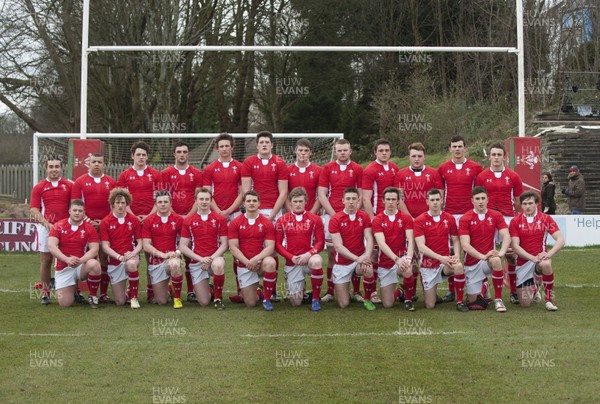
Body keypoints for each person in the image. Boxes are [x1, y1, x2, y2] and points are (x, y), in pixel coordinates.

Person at [241, 131, 289, 301]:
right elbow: (246, 191)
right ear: (257, 145)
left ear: (271, 145)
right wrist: (254, 211)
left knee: (273, 249)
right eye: (261, 142)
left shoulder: (280, 163)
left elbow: (283, 192)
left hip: (273, 211)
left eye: (267, 142)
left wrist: (273, 215)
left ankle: (272, 290)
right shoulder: (248, 162)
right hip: (254, 209)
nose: (264, 145)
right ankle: (244, 288)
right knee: (248, 245)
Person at [475, 142, 524, 304]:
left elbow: (518, 201)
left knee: (511, 256)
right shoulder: (482, 176)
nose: (496, 158)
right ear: (489, 157)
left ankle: (514, 291)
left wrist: (509, 215)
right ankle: (485, 287)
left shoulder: (513, 176)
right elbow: (478, 198)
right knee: (486, 254)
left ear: (504, 157)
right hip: (488, 219)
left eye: (499, 155)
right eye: (493, 155)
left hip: (507, 218)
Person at [117, 141, 164, 303]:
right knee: (133, 254)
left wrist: (149, 216)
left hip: (151, 219)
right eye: (138, 154)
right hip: (131, 220)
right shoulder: (124, 175)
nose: (141, 157)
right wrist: (134, 217)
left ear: (147, 157)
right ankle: (130, 289)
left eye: (144, 155)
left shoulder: (156, 174)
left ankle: (152, 289)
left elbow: (159, 199)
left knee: (151, 255)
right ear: (132, 156)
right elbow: (121, 200)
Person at [437, 135, 483, 303]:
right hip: (449, 214)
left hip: (469, 215)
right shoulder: (442, 168)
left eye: (460, 146)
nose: (457, 149)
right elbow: (440, 192)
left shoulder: (476, 167)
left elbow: (479, 193)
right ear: (450, 149)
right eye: (454, 146)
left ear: (465, 148)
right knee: (451, 251)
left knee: (473, 250)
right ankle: (452, 290)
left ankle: (479, 286)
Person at [318, 139, 364, 303]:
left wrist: (352, 212)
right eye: (339, 150)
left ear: (350, 151)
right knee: (332, 253)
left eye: (345, 150)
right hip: (332, 215)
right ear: (335, 152)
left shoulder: (358, 169)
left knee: (355, 249)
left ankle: (357, 291)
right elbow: (322, 194)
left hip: (352, 216)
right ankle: (330, 291)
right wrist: (335, 214)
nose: (342, 153)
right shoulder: (328, 168)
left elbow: (360, 194)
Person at [202, 133, 244, 303]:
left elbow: (243, 192)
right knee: (211, 248)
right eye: (221, 146)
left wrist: (228, 211)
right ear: (216, 148)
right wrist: (219, 212)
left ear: (232, 148)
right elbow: (206, 193)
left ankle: (241, 289)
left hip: (234, 213)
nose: (224, 149)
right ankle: (211, 286)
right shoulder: (210, 168)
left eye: (227, 146)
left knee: (237, 252)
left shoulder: (240, 167)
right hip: (214, 214)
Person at [71, 153, 117, 303]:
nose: (96, 164)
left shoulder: (111, 182)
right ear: (88, 164)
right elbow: (75, 206)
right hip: (85, 225)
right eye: (94, 162)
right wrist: (88, 220)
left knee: (104, 257)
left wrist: (103, 221)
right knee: (82, 256)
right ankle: (78, 291)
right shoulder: (80, 182)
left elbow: (115, 206)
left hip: (105, 226)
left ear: (104, 165)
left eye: (99, 162)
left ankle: (103, 294)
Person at [161, 141, 203, 302]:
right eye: (179, 152)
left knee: (190, 253)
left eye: (185, 151)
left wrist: (189, 216)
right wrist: (176, 216)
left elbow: (198, 197)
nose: (182, 154)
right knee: (170, 252)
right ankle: (164, 286)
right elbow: (163, 198)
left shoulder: (197, 173)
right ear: (174, 154)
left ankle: (191, 290)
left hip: (192, 218)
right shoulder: (165, 173)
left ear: (188, 154)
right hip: (172, 218)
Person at [413, 189, 467, 312]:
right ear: (427, 202)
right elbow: (421, 247)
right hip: (428, 265)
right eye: (432, 200)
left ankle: (459, 302)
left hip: (445, 263)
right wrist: (440, 257)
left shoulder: (449, 218)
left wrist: (457, 255)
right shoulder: (419, 220)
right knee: (430, 305)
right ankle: (433, 295)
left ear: (442, 200)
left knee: (458, 266)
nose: (435, 203)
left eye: (437, 199)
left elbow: (456, 240)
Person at [459, 187, 511, 312]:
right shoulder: (465, 218)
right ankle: (484, 284)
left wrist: (501, 253)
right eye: (477, 199)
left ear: (488, 199)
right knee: (474, 303)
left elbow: (506, 235)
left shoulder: (496, 215)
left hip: (489, 261)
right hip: (472, 263)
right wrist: (483, 256)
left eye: (483, 198)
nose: (480, 201)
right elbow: (465, 245)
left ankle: (498, 299)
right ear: (472, 201)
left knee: (496, 261)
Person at [509, 191, 564, 311]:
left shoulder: (545, 219)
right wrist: (532, 258)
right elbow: (515, 246)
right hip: (523, 262)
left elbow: (560, 240)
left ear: (536, 204)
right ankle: (535, 287)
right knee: (525, 303)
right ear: (521, 205)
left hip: (540, 260)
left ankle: (549, 299)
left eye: (530, 203)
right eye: (524, 204)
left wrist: (548, 254)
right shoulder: (515, 221)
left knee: (546, 264)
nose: (527, 206)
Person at [30, 156, 72, 305]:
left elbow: (74, 206)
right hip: (46, 229)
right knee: (46, 260)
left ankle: (74, 292)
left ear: (61, 168)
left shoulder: (69, 185)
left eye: (57, 166)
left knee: (69, 260)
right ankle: (45, 293)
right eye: (51, 166)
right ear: (46, 168)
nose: (54, 169)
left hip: (66, 229)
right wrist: (47, 224)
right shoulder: (39, 187)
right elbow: (34, 209)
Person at [275, 187, 325, 311]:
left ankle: (315, 299)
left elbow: (320, 242)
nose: (298, 204)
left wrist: (308, 254)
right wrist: (291, 257)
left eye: (300, 201)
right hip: (293, 261)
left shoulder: (315, 219)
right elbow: (278, 244)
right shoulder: (282, 220)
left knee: (317, 261)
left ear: (306, 202)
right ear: (290, 202)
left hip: (309, 258)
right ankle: (302, 288)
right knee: (296, 302)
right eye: (295, 201)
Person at [179, 188, 228, 310]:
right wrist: (201, 259)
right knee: (204, 302)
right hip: (197, 262)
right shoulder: (188, 220)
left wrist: (210, 259)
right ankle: (211, 288)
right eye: (201, 199)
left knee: (218, 265)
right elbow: (183, 246)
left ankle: (217, 298)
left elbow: (224, 244)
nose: (204, 202)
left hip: (214, 258)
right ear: (196, 201)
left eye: (207, 199)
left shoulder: (220, 219)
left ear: (211, 201)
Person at [228, 191, 277, 310]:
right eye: (248, 201)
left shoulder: (266, 222)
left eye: (254, 201)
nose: (251, 203)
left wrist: (256, 259)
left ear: (259, 203)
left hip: (260, 262)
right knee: (251, 303)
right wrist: (247, 262)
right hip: (245, 264)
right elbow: (233, 247)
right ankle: (259, 291)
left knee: (270, 262)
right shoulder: (235, 222)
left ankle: (266, 299)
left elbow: (270, 247)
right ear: (244, 204)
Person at [47, 200, 102, 308]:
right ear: (69, 211)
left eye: (80, 211)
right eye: (75, 210)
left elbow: (94, 249)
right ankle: (74, 290)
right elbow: (51, 246)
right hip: (63, 267)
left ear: (84, 213)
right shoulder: (58, 226)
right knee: (65, 304)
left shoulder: (89, 228)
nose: (77, 213)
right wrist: (66, 259)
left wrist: (80, 261)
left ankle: (93, 296)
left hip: (80, 266)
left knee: (94, 264)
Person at [329, 187, 375, 310]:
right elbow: (338, 246)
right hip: (342, 263)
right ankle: (349, 291)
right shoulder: (335, 219)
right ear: (343, 200)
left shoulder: (364, 216)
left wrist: (367, 256)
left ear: (358, 200)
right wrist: (357, 259)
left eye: (354, 199)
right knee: (344, 304)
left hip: (359, 259)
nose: (351, 202)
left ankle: (367, 299)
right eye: (348, 199)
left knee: (369, 268)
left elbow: (369, 238)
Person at [371, 187, 416, 310]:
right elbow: (381, 243)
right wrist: (396, 259)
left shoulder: (406, 218)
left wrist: (408, 258)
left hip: (401, 257)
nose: (391, 202)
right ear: (383, 201)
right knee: (388, 304)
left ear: (398, 201)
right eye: (388, 199)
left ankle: (408, 299)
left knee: (407, 269)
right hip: (386, 262)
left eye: (393, 199)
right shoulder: (377, 220)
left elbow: (410, 240)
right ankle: (400, 293)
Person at [100, 188, 143, 309]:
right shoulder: (106, 222)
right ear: (113, 203)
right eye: (117, 203)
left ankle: (134, 297)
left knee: (131, 264)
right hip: (115, 260)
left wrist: (132, 253)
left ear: (127, 204)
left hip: (130, 257)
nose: (120, 206)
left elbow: (140, 243)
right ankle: (128, 292)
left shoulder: (133, 220)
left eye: (123, 203)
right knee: (120, 301)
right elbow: (105, 246)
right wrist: (119, 257)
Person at [142, 191, 184, 309]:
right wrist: (163, 255)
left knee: (175, 264)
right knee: (161, 301)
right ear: (155, 204)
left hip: (173, 257)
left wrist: (177, 253)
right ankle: (168, 288)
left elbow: (184, 242)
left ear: (171, 203)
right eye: (160, 202)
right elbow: (146, 245)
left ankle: (177, 299)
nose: (163, 204)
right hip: (156, 261)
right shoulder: (149, 220)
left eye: (166, 202)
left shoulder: (178, 220)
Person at [286, 139, 323, 214]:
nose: (303, 153)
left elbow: (321, 196)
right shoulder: (287, 170)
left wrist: (311, 214)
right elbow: (284, 195)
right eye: (300, 150)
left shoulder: (319, 171)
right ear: (295, 151)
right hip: (293, 214)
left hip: (313, 214)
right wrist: (292, 213)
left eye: (306, 150)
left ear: (311, 153)